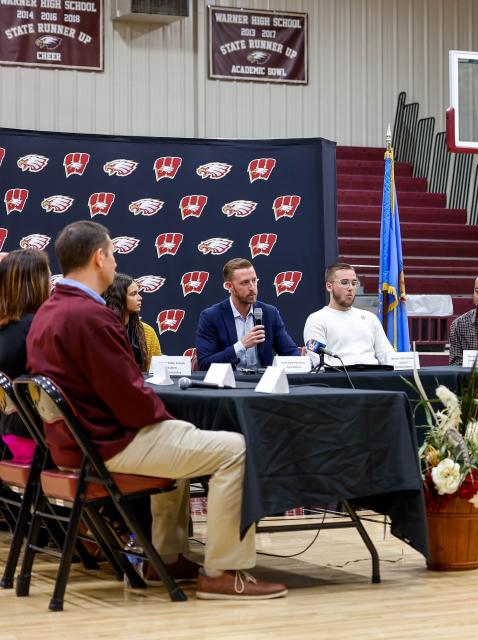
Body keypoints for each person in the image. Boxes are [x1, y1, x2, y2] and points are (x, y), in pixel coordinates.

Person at [27, 221, 287, 599]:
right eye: (113, 255)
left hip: (77, 443)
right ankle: (224, 572)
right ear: (99, 257)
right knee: (237, 450)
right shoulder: (91, 317)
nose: (116, 263)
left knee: (181, 440)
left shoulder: (49, 311)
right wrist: (169, 422)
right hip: (107, 445)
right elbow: (130, 398)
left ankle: (164, 556)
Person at [196, 258, 300, 371]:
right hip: (228, 383)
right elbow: (205, 363)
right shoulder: (211, 317)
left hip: (263, 383)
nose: (252, 287)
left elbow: (290, 353)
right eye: (245, 282)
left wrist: (299, 362)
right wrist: (241, 345)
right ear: (229, 286)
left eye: (254, 280)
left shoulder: (269, 313)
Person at [0, 249, 50, 464]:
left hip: (8, 435)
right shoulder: (38, 327)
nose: (52, 284)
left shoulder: (7, 326)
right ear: (35, 282)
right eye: (48, 277)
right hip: (35, 440)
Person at [303, 262, 395, 366]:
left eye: (354, 283)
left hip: (374, 378)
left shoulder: (370, 318)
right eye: (344, 282)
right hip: (337, 379)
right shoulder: (316, 319)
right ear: (329, 286)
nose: (350, 287)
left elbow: (387, 355)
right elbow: (321, 363)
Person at [105, 273, 162, 373]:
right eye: (133, 294)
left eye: (138, 293)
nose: (140, 298)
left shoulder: (147, 332)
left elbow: (157, 371)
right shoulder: (101, 331)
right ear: (119, 299)